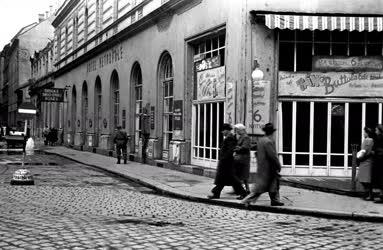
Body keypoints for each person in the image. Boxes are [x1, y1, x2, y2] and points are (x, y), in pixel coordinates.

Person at [241, 122, 284, 207]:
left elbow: (257, 153)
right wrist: (278, 165)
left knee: (273, 185)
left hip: (263, 167)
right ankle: (246, 200)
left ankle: (275, 200)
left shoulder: (261, 140)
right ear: (271, 132)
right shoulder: (268, 141)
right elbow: (273, 156)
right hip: (268, 168)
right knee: (260, 189)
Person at [207, 123, 247, 200]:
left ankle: (243, 193)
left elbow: (229, 151)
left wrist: (223, 159)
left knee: (232, 179)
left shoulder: (230, 138)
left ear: (227, 130)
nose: (222, 132)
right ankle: (216, 193)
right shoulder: (229, 137)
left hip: (227, 163)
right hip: (226, 162)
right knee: (224, 179)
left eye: (223, 130)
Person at [357, 127, 375, 201]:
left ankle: (368, 194)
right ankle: (369, 194)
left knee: (363, 179)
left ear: (367, 133)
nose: (363, 134)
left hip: (365, 161)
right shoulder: (373, 140)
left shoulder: (367, 140)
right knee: (367, 179)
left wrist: (358, 157)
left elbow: (364, 151)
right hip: (369, 161)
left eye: (364, 132)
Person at [233, 123, 251, 194]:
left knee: (242, 175)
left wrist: (236, 148)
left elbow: (245, 147)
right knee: (242, 176)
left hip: (243, 159)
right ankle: (246, 190)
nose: (236, 131)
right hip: (240, 158)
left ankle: (243, 191)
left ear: (242, 130)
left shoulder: (245, 137)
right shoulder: (241, 136)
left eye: (237, 129)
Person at [372, 124, 383, 203]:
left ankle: (381, 197)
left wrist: (375, 151)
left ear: (379, 130)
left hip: (380, 161)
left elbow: (378, 149)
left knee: (380, 178)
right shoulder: (377, 138)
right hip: (378, 160)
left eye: (376, 130)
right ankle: (380, 196)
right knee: (379, 179)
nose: (375, 131)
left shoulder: (380, 138)